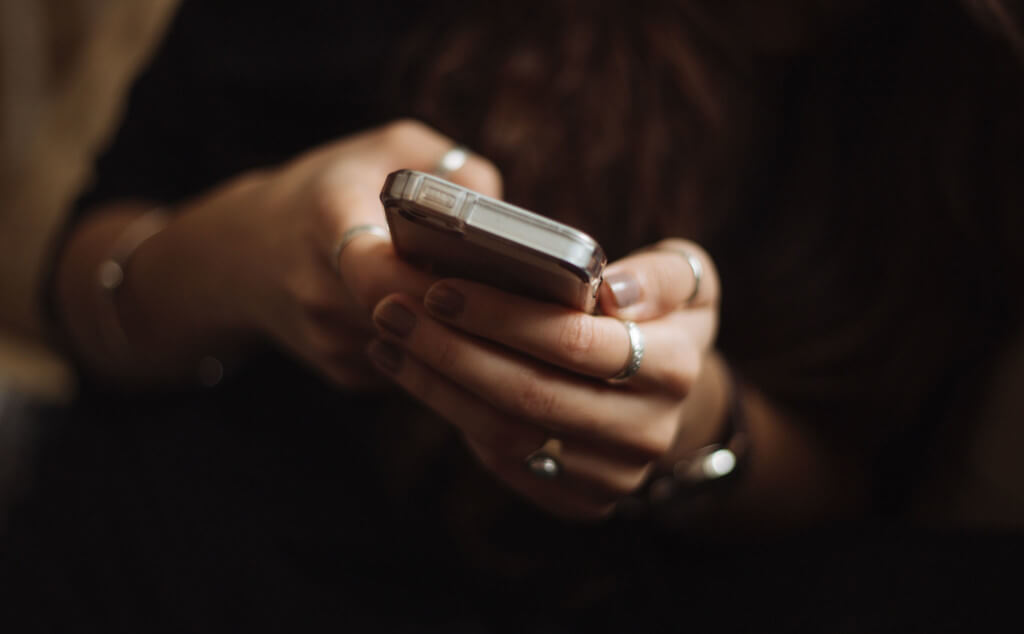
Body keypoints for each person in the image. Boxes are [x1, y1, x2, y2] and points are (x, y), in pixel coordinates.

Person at [10, 0, 1024, 630]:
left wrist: (698, 428)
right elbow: (79, 290)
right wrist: (249, 247)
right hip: (182, 563)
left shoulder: (974, 84)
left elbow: (875, 498)